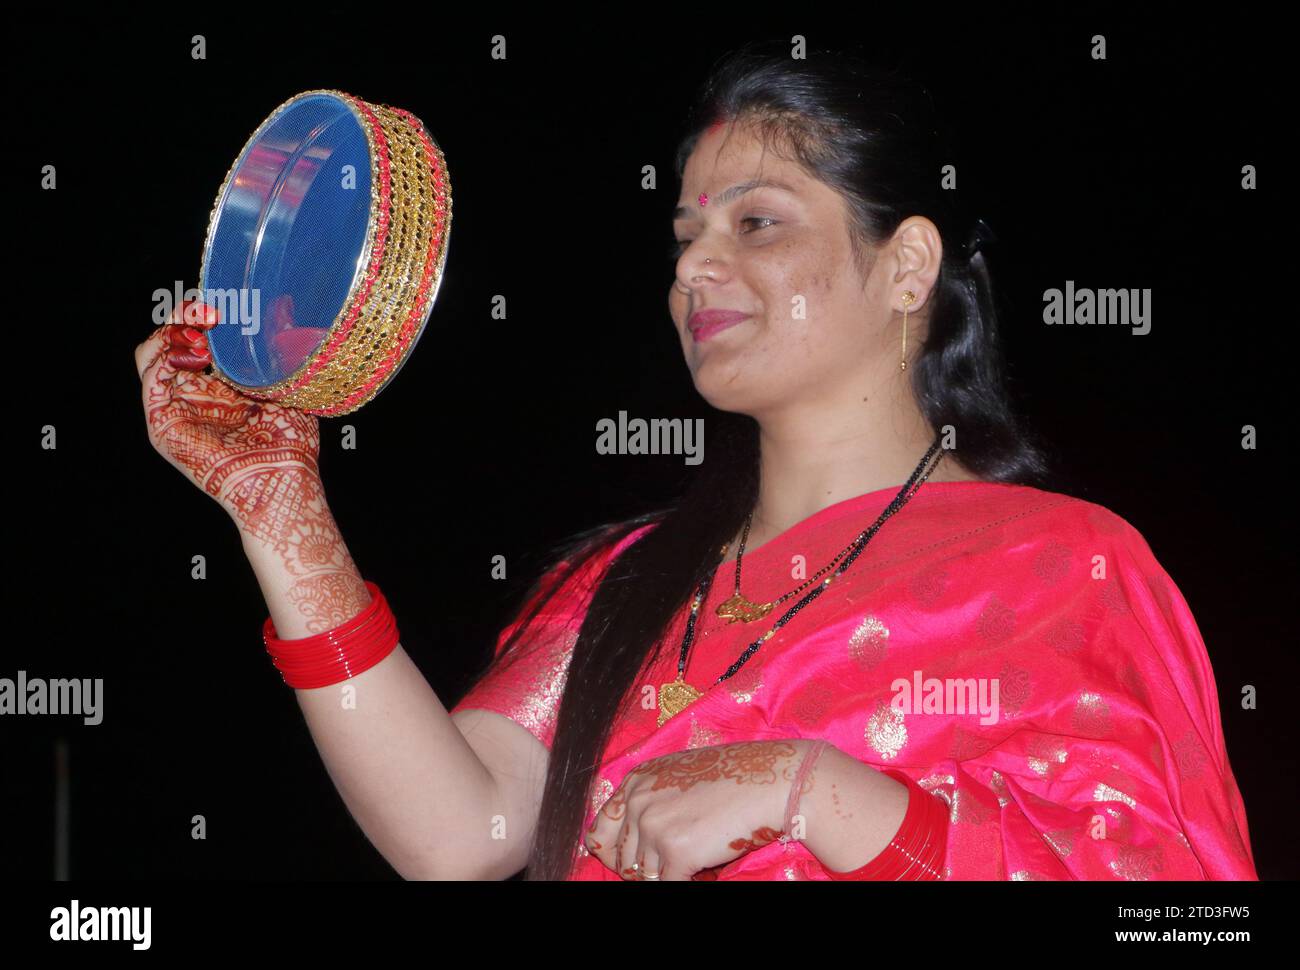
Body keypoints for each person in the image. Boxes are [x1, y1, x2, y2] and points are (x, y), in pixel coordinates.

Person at [134, 42, 1256, 881]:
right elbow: (455, 831)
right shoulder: (626, 583)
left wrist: (815, 793)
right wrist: (281, 515)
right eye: (684, 237)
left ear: (908, 264)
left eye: (755, 224)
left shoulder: (1066, 570)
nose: (695, 271)